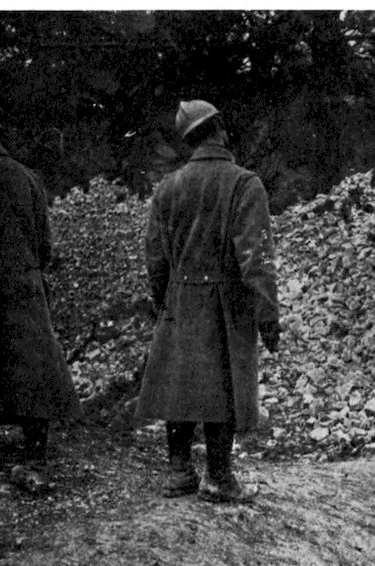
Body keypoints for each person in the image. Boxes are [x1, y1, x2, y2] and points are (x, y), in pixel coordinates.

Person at [137, 99, 280, 503]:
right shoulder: (244, 184)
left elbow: (155, 255)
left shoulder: (168, 187)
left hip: (180, 296)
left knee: (179, 381)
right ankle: (218, 476)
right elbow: (256, 257)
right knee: (224, 384)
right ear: (219, 129)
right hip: (227, 300)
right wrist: (268, 316)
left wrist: (164, 301)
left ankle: (179, 471)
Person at [0, 102, 83, 493]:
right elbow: (45, 247)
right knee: (33, 367)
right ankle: (35, 457)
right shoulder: (27, 178)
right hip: (23, 286)